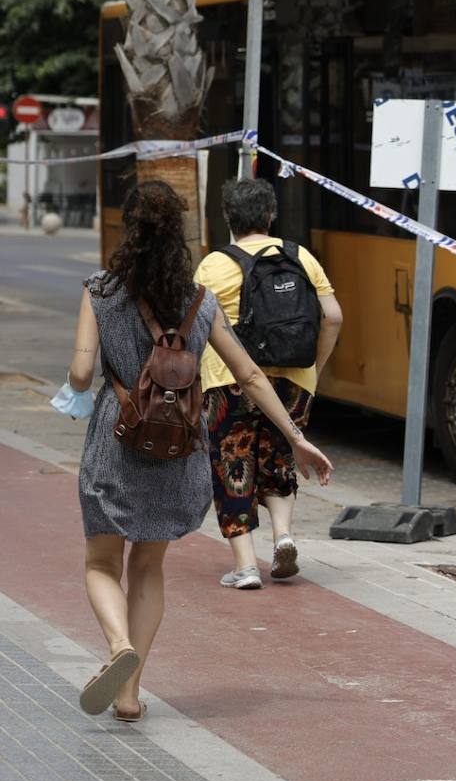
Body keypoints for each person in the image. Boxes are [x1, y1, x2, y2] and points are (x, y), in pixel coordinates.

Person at [63, 180, 332, 722]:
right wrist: (296, 437)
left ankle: (118, 648)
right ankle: (129, 695)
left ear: (128, 230)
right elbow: (249, 374)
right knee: (148, 565)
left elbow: (81, 373)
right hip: (178, 446)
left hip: (117, 441)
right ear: (177, 239)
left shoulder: (99, 291)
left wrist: (81, 376)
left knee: (100, 563)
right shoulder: (199, 302)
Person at [195, 178, 344, 590]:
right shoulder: (300, 257)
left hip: (229, 380)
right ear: (271, 214)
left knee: (233, 464)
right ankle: (284, 537)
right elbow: (333, 316)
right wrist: (314, 366)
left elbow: (195, 324)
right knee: (280, 458)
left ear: (228, 218)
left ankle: (245, 566)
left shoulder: (214, 264)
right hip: (294, 377)